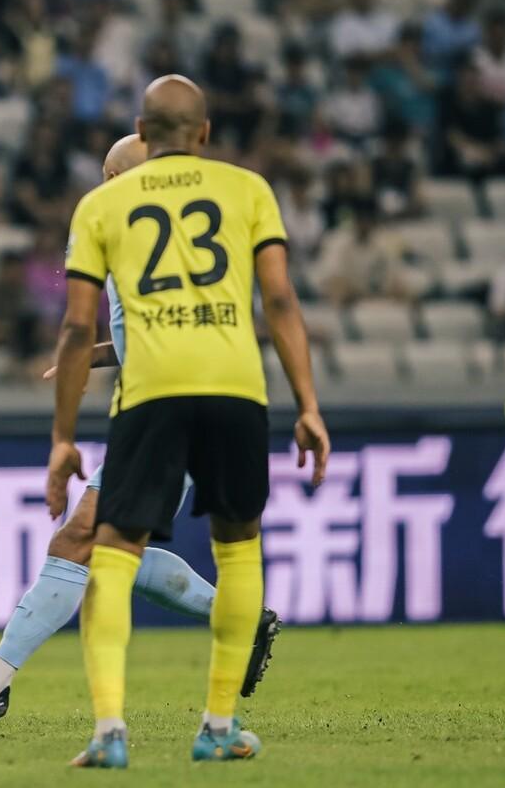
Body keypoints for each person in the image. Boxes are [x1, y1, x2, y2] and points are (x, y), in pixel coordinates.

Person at [0, 135, 282, 724]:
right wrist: (99, 355)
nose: (103, 184)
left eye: (112, 173)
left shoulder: (118, 226)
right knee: (112, 550)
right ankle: (242, 618)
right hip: (201, 405)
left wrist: (79, 359)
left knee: (75, 542)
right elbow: (167, 328)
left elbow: (97, 323)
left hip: (169, 414)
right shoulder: (180, 234)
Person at [47, 76, 329, 767]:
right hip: (235, 385)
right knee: (239, 549)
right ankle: (219, 726)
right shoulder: (247, 190)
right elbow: (281, 301)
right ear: (204, 133)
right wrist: (308, 405)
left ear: (143, 133)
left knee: (113, 552)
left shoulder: (102, 203)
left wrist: (62, 438)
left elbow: (78, 327)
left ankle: (108, 731)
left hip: (151, 389)